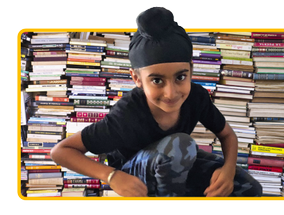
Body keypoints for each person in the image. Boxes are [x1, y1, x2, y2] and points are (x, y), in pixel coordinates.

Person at [51, 7, 262, 197]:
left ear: (191, 70)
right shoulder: (127, 114)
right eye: (157, 80)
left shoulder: (196, 96)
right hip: (135, 176)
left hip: (173, 165)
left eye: (181, 77)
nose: (171, 93)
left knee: (250, 188)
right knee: (181, 144)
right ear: (137, 79)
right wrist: (112, 176)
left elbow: (227, 135)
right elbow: (61, 151)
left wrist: (228, 170)